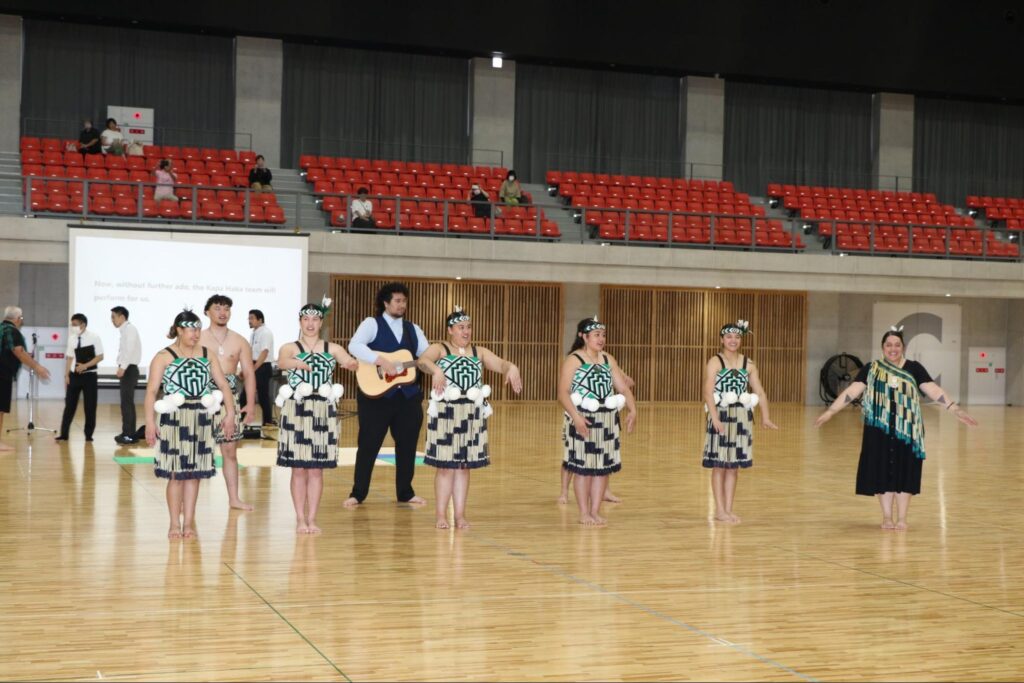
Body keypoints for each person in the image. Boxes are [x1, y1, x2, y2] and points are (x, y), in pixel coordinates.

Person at [814, 326, 977, 531]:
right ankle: (887, 517)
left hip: (907, 431)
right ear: (882, 347)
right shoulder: (871, 368)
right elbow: (852, 391)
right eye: (888, 345)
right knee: (882, 472)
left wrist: (955, 409)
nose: (893, 349)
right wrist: (831, 411)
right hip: (878, 429)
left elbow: (932, 389)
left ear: (903, 347)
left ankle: (902, 518)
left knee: (905, 472)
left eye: (897, 345)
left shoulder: (914, 368)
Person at [419, 306, 522, 529]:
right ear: (450, 330)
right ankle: (440, 515)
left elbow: (501, 364)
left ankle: (460, 515)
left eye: (468, 327)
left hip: (472, 416)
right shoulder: (440, 349)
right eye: (460, 327)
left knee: (464, 467)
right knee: (446, 467)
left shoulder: (479, 352)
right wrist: (436, 370)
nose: (466, 332)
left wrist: (510, 367)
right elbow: (423, 361)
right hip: (446, 415)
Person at [144, 309, 237, 539]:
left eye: (197, 329)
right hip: (174, 419)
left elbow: (224, 386)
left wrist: (230, 414)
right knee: (176, 474)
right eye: (191, 330)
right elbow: (152, 391)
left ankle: (189, 523)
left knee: (194, 475)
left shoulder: (208, 354)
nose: (196, 334)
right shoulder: (163, 356)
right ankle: (174, 523)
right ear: (179, 329)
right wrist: (148, 422)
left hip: (202, 419)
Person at [344, 282, 429, 507]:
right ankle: (358, 493)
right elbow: (355, 345)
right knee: (369, 444)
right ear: (386, 302)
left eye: (404, 301)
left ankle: (406, 492)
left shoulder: (414, 329)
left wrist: (434, 362)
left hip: (408, 397)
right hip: (376, 398)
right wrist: (381, 361)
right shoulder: (371, 324)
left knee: (408, 445)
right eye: (397, 301)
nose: (402, 305)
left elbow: (425, 355)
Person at [276, 299, 358, 533]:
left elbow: (348, 362)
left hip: (322, 411)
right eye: (306, 319)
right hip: (297, 410)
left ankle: (312, 518)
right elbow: (281, 362)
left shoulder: (332, 348)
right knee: (298, 468)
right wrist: (301, 365)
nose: (310, 324)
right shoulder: (290, 347)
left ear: (321, 321)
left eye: (314, 319)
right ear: (300, 322)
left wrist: (352, 364)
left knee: (316, 469)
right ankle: (300, 518)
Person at [559, 317, 636, 526]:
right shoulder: (574, 360)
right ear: (583, 336)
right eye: (596, 335)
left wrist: (633, 409)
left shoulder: (608, 359)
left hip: (607, 421)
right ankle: (584, 512)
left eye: (603, 335)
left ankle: (595, 511)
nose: (601, 339)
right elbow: (563, 393)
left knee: (602, 469)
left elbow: (623, 388)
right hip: (583, 419)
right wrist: (576, 417)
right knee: (583, 469)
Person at [702, 320, 777, 524]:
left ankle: (728, 508)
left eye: (736, 337)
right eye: (729, 337)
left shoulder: (748, 364)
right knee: (719, 464)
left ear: (741, 340)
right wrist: (714, 417)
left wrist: (766, 417)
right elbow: (708, 392)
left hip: (742, 419)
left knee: (733, 466)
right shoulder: (715, 361)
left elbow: (759, 391)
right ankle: (719, 509)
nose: (733, 340)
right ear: (722, 340)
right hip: (721, 416)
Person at [200, 294, 257, 511]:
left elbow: (249, 374)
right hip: (203, 398)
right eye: (217, 308)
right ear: (207, 312)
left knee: (230, 451)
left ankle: (234, 498)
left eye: (226, 309)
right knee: (197, 450)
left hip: (230, 401)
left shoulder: (240, 340)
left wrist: (250, 404)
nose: (222, 313)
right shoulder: (198, 338)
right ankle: (189, 501)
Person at [0, 306, 52, 451]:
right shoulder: (12, 331)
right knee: (0, 409)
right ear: (17, 319)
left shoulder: (1, 328)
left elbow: (8, 350)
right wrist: (37, 367)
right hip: (2, 374)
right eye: (21, 319)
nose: (21, 321)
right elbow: (19, 352)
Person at [56, 313, 104, 442]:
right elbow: (69, 357)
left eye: (75, 325)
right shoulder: (71, 338)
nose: (73, 327)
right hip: (74, 376)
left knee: (90, 406)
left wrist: (85, 366)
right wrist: (66, 374)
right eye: (72, 325)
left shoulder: (94, 337)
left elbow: (100, 356)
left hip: (89, 376)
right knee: (69, 406)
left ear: (83, 324)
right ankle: (64, 434)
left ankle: (88, 434)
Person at [112, 306, 142, 445]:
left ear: (122, 317)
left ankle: (129, 434)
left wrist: (122, 367)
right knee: (126, 403)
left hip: (129, 369)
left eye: (114, 317)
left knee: (127, 404)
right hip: (127, 368)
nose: (112, 320)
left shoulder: (129, 329)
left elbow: (129, 350)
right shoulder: (125, 330)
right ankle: (127, 432)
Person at [246, 309, 275, 426]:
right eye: (249, 318)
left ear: (260, 320)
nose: (249, 321)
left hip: (262, 366)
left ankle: (268, 423)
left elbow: (264, 352)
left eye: (252, 318)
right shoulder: (253, 333)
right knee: (246, 395)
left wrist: (254, 368)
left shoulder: (265, 332)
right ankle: (244, 422)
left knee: (263, 396)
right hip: (255, 365)